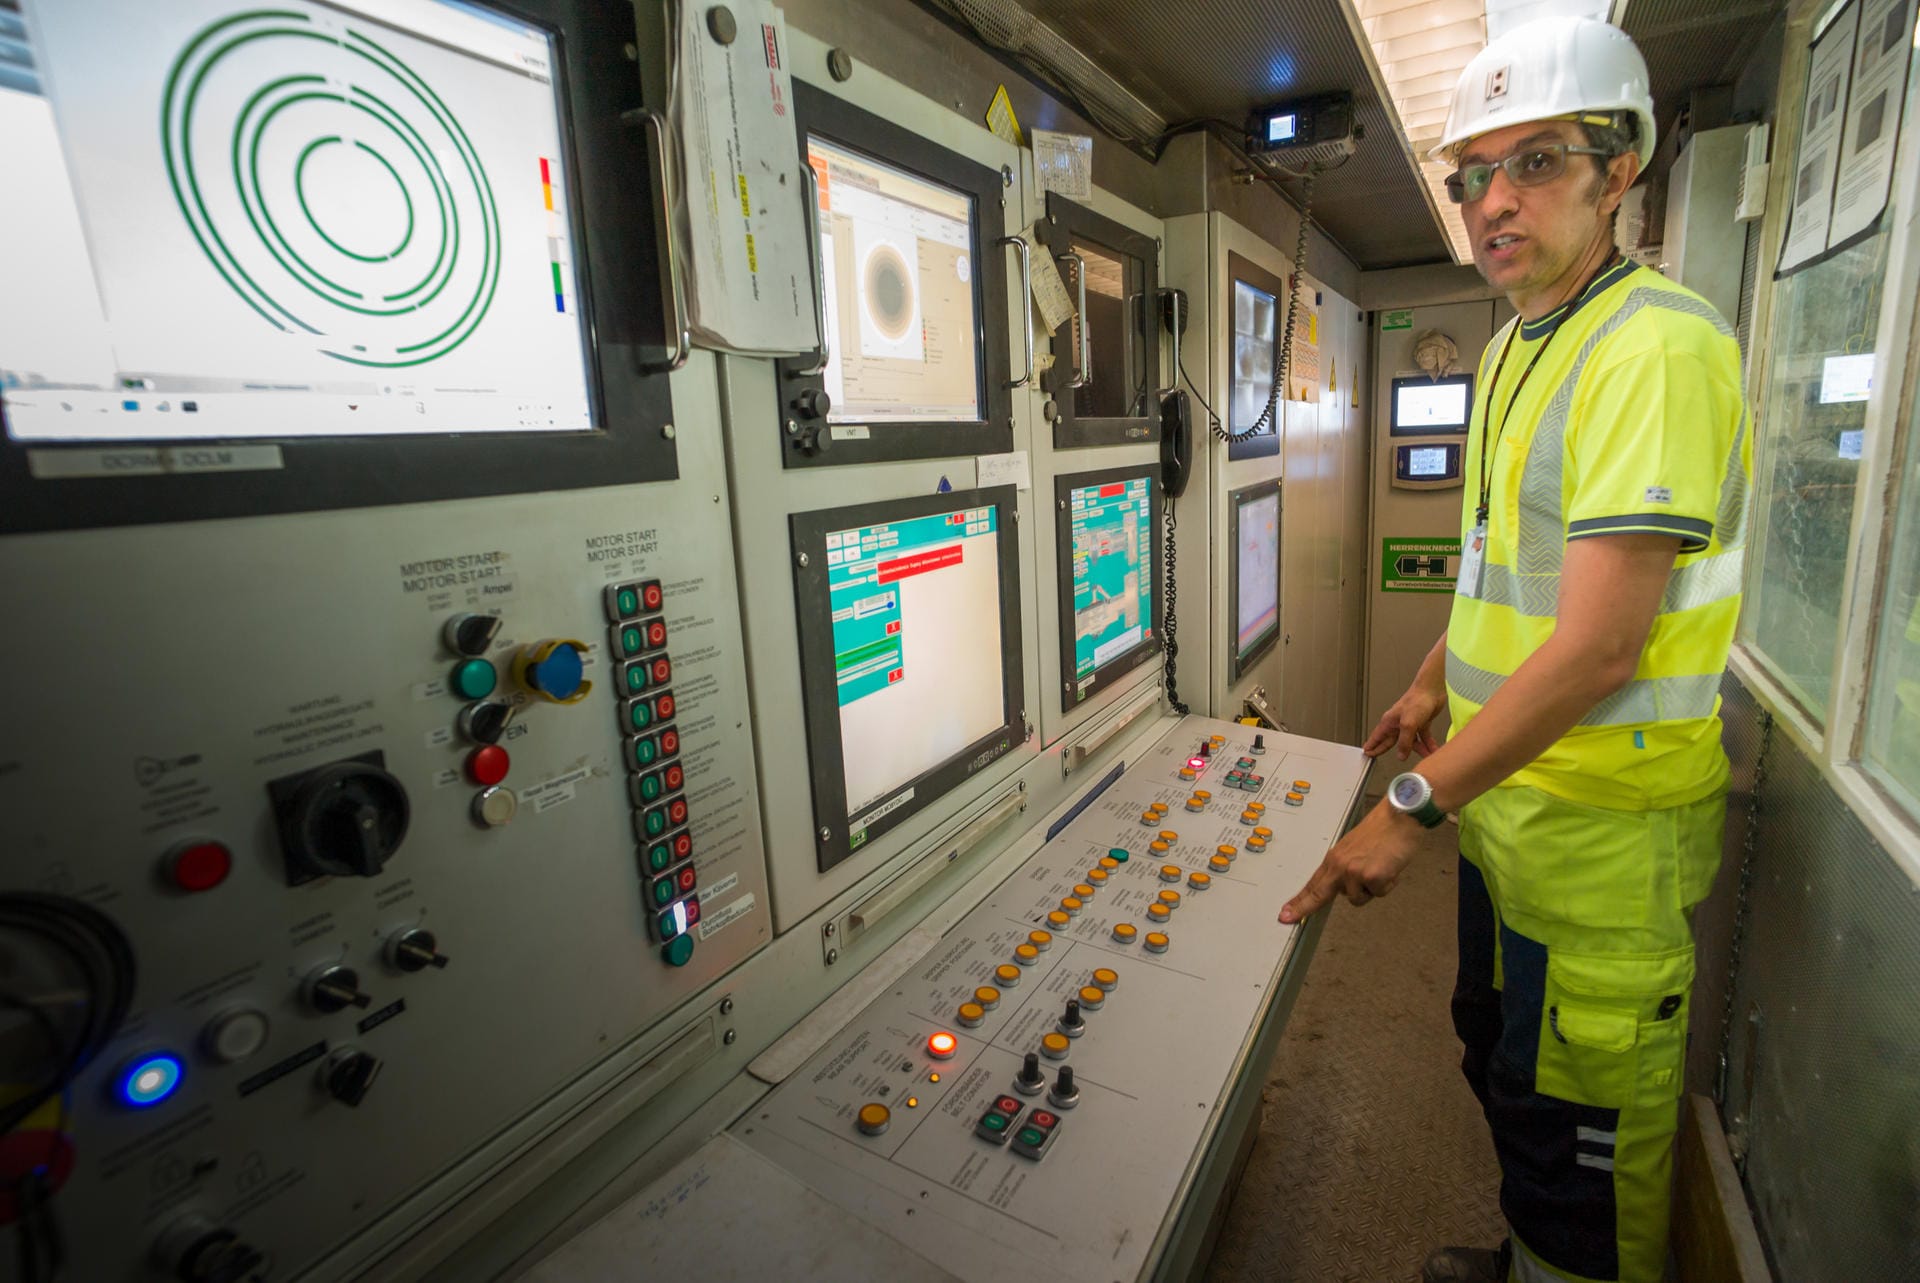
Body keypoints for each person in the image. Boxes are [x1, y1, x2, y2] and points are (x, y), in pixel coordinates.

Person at [1277, 16, 1751, 1283]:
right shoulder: (1514, 346)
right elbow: (1508, 564)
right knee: (1502, 1060)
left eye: (1535, 163)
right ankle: (1527, 1253)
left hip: (1601, 845)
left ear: (1621, 169)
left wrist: (1409, 809)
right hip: (1512, 817)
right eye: (1470, 174)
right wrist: (1431, 680)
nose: (1493, 201)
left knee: (1583, 1137)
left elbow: (1599, 648)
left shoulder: (1652, 346)